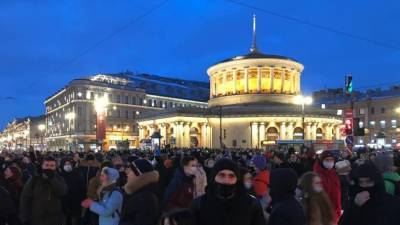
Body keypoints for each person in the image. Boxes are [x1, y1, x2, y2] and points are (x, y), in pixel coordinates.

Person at [191, 158, 266, 225]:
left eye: (231, 176)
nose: (226, 181)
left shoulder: (252, 204)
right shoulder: (199, 205)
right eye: (222, 175)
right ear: (214, 177)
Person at [20, 156, 69, 225]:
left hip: (55, 219)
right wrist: (25, 218)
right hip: (37, 219)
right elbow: (25, 198)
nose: (49, 167)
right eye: (46, 165)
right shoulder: (34, 179)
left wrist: (52, 179)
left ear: (55, 167)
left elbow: (63, 192)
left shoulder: (59, 178)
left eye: (52, 165)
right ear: (42, 166)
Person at [120, 159, 160, 225]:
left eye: (130, 171)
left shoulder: (144, 198)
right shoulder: (139, 192)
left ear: (138, 174)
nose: (127, 174)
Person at [313, 150, 341, 224]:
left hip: (334, 212)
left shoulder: (334, 173)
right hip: (323, 214)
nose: (330, 162)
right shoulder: (317, 175)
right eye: (327, 160)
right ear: (322, 161)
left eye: (331, 160)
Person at [60, 158, 84, 225]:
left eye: (69, 164)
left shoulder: (76, 174)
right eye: (65, 164)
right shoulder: (60, 176)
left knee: (75, 219)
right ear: (62, 165)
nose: (67, 166)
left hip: (75, 202)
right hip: (64, 203)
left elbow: (81, 187)